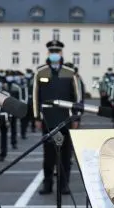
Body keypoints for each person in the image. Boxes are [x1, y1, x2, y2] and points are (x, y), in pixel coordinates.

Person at [33, 40, 81, 195]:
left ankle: (64, 185)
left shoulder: (70, 73)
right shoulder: (40, 72)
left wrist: (76, 118)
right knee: (48, 155)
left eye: (57, 52)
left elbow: (77, 98)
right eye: (52, 51)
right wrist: (37, 117)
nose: (54, 54)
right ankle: (47, 184)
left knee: (65, 155)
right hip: (47, 119)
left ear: (61, 54)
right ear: (48, 53)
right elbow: (35, 97)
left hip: (65, 119)